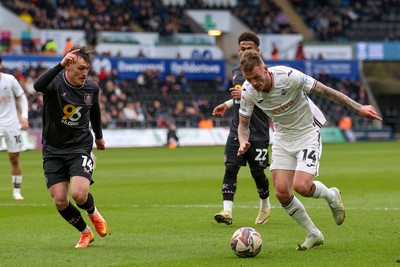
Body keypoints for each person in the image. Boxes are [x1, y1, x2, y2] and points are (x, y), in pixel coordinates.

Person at [237, 50, 381, 250]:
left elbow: (326, 91)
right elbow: (243, 123)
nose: (254, 83)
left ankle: (331, 195)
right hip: (281, 137)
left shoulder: (289, 77)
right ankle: (314, 234)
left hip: (307, 133)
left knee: (302, 187)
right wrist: (244, 140)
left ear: (265, 69)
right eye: (249, 79)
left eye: (256, 77)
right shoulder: (248, 91)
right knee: (281, 193)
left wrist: (358, 108)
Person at [33, 45, 109, 248]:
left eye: (87, 69)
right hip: (53, 150)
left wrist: (99, 137)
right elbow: (37, 86)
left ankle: (93, 213)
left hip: (79, 147)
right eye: (80, 68)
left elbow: (94, 111)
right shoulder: (55, 84)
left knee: (78, 194)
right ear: (68, 66)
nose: (85, 73)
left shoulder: (91, 88)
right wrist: (59, 65)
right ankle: (85, 233)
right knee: (60, 200)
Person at [212, 32, 271, 226]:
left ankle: (265, 205)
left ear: (257, 50)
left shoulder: (266, 72)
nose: (246, 52)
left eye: (250, 48)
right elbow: (240, 95)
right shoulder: (237, 71)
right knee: (231, 167)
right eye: (243, 49)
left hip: (259, 130)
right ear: (239, 51)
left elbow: (267, 97)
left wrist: (246, 94)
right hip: (238, 127)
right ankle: (227, 211)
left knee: (257, 173)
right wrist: (228, 104)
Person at [0, 56, 29, 200]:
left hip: (11, 124)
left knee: (14, 157)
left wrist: (24, 116)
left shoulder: (10, 80)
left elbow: (22, 97)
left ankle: (17, 191)